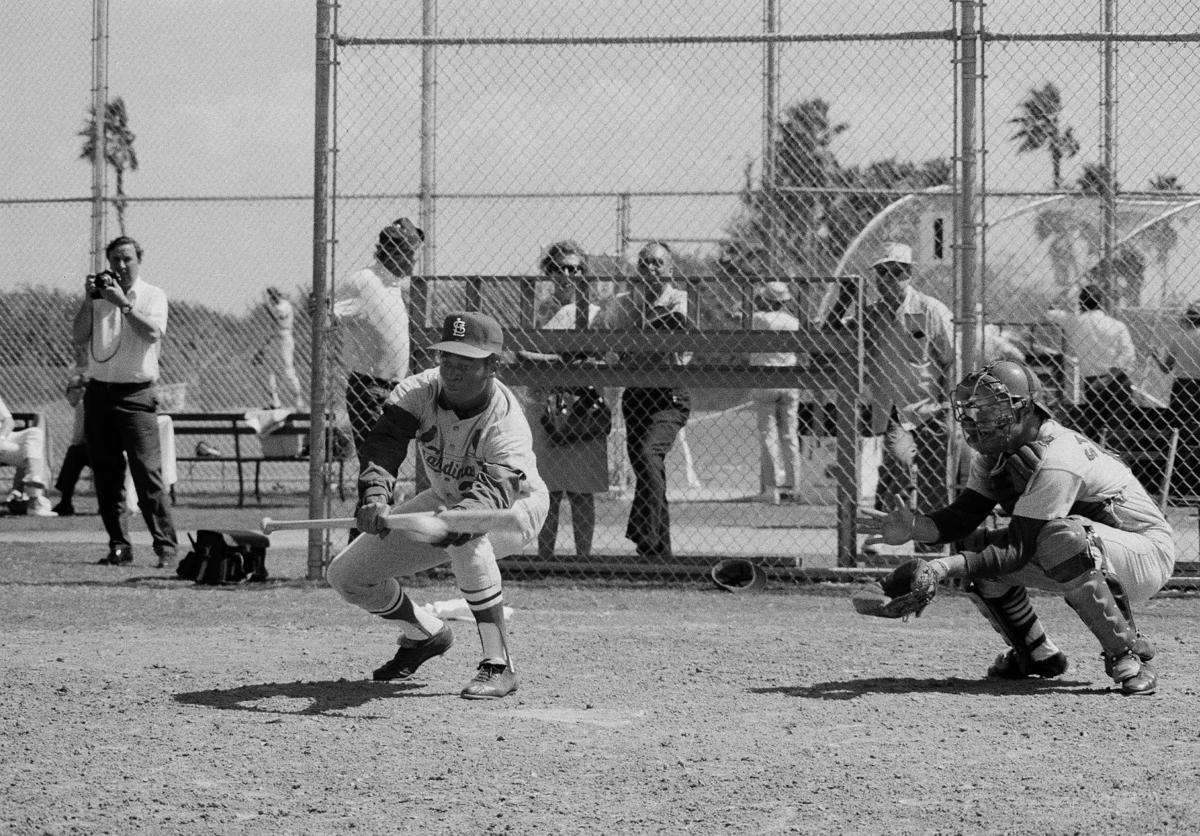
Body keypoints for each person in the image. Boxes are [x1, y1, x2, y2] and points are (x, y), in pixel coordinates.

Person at [859, 359, 1172, 695]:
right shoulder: (997, 453)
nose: (979, 421)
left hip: (1144, 554)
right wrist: (916, 527)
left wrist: (939, 567)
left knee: (1059, 538)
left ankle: (1128, 656)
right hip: (1095, 549)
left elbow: (1018, 547)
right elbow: (964, 516)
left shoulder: (1060, 456)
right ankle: (1037, 654)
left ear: (1025, 410)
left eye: (993, 411)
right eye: (974, 411)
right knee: (977, 548)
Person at [325, 312, 549, 700]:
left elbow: (494, 494)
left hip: (513, 511)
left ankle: (499, 664)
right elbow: (384, 445)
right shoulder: (418, 391)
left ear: (492, 366)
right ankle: (426, 633)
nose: (452, 371)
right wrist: (376, 497)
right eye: (447, 359)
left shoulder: (506, 423)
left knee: (466, 540)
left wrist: (454, 523)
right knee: (347, 576)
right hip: (445, 502)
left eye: (466, 363)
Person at [70, 235, 178, 567]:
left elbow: (152, 334)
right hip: (100, 392)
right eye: (115, 259)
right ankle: (119, 544)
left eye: (127, 259)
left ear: (138, 260)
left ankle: (165, 546)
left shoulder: (152, 295)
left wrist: (123, 304)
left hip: (136, 393)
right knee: (106, 474)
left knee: (147, 473)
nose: (120, 265)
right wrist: (91, 300)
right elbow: (78, 337)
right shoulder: (100, 297)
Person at [835, 242, 955, 523]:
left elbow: (951, 358)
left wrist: (952, 405)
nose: (887, 279)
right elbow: (836, 331)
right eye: (882, 273)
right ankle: (886, 533)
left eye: (895, 272)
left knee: (933, 478)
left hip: (931, 408)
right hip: (893, 411)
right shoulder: (871, 315)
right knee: (897, 467)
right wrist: (844, 300)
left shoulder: (929, 310)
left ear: (908, 274)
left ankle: (931, 544)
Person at [598, 240, 691, 560]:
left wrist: (637, 337)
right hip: (637, 394)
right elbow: (612, 340)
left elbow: (671, 327)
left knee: (649, 457)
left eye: (658, 263)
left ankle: (646, 537)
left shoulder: (680, 298)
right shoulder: (623, 301)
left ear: (670, 268)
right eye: (645, 262)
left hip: (669, 395)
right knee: (649, 471)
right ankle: (657, 550)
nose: (651, 268)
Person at [517, 241, 608, 560]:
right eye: (559, 268)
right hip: (544, 405)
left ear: (585, 272)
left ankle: (583, 559)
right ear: (548, 272)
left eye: (576, 268)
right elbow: (524, 353)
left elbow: (596, 358)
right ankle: (546, 559)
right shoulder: (538, 309)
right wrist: (553, 359)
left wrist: (541, 358)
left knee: (582, 492)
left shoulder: (595, 311)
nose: (568, 274)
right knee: (548, 491)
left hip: (582, 406)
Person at [331, 217, 421, 451]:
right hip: (370, 388)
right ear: (391, 252)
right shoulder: (364, 281)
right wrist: (321, 309)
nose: (413, 261)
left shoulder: (392, 285)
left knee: (387, 459)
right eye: (408, 254)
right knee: (376, 459)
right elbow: (329, 315)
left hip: (395, 389)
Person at [1044, 282, 1136, 441]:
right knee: (1118, 429)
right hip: (1117, 379)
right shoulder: (1117, 325)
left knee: (1094, 427)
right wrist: (1108, 379)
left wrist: (1063, 292)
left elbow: (1049, 312)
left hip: (1093, 382)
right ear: (1101, 302)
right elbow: (1129, 355)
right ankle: (1118, 459)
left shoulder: (1074, 321)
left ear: (1080, 303)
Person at [749, 281, 802, 504]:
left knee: (769, 436)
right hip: (789, 380)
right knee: (790, 435)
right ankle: (794, 486)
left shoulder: (760, 319)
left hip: (766, 380)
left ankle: (771, 489)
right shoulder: (794, 322)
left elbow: (744, 318)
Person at [1153, 301, 1200, 495]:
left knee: (1180, 432)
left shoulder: (1178, 337)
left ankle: (1180, 483)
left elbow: (1166, 368)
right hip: (1198, 384)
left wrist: (1156, 356)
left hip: (1182, 386)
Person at [0, 392, 56, 516]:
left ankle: (32, 477)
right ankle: (34, 503)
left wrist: (2, 437)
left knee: (35, 433)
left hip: (4, 439)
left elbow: (9, 421)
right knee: (33, 453)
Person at [51, 365, 92, 516]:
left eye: (70, 389)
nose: (67, 394)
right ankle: (65, 501)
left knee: (74, 452)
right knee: (76, 452)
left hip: (102, 450)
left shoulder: (83, 403)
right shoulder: (92, 401)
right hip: (107, 449)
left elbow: (77, 438)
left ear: (81, 390)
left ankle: (65, 501)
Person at [258, 286, 304, 411]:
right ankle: (275, 400)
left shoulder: (284, 306)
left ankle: (298, 400)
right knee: (270, 370)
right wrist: (263, 347)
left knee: (288, 370)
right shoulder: (276, 306)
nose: (272, 298)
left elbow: (277, 319)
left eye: (273, 296)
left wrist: (267, 306)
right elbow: (272, 328)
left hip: (285, 337)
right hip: (275, 338)